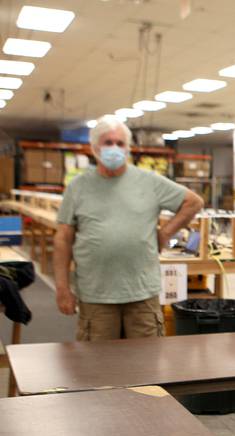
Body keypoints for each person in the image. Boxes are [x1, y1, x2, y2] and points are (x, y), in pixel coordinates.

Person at [54, 115, 204, 340]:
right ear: (94, 148)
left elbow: (194, 202)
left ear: (128, 148)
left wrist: (165, 233)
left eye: (120, 143)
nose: (114, 148)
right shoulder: (78, 187)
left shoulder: (149, 181)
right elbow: (63, 239)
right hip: (96, 296)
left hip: (142, 294)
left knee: (146, 365)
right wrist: (62, 288)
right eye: (107, 143)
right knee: (98, 365)